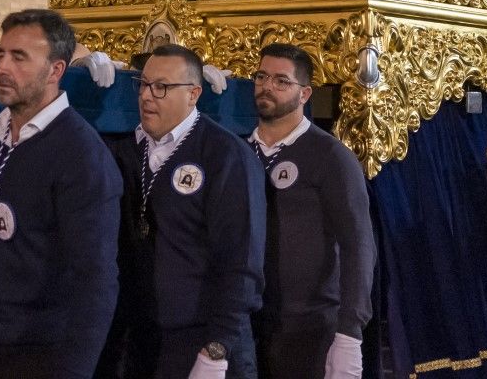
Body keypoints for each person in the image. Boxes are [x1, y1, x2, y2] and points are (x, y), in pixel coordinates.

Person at [0, 10, 121, 378]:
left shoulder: (81, 155)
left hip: (39, 352)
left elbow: (95, 280)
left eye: (20, 58)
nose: (3, 68)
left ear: (56, 71)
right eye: (2, 55)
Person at [104, 44, 266, 378]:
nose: (148, 96)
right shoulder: (127, 151)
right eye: (143, 84)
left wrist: (217, 350)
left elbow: (241, 262)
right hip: (146, 342)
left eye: (162, 87)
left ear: (193, 94)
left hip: (207, 342)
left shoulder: (224, 155)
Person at [247, 44, 373, 379]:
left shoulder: (331, 156)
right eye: (261, 76)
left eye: (281, 81)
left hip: (309, 327)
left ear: (305, 93)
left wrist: (350, 333)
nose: (267, 86)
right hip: (248, 324)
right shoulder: (238, 151)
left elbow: (358, 244)